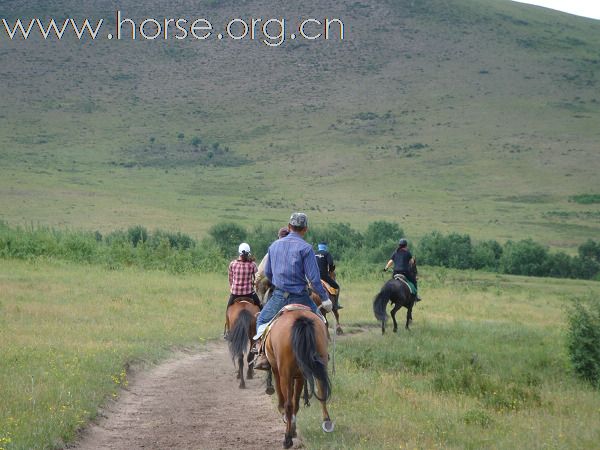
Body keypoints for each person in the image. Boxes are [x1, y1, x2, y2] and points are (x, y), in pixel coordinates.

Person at [252, 212, 333, 370]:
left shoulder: (274, 246)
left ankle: (261, 355)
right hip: (301, 297)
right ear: (305, 229)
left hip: (279, 297)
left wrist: (278, 280)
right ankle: (322, 353)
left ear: (289, 227)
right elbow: (314, 279)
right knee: (321, 321)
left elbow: (267, 272)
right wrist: (325, 299)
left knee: (261, 320)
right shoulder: (306, 248)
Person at [224, 242, 261, 337]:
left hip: (235, 293)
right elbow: (257, 279)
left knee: (228, 309)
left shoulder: (232, 264)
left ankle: (228, 331)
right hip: (249, 293)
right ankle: (261, 329)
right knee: (261, 307)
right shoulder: (252, 265)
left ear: (239, 253)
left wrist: (233, 288)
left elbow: (230, 279)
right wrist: (254, 284)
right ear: (248, 253)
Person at [315, 242, 343, 309]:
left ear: (319, 247)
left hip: (314, 276)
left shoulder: (314, 253)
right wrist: (330, 270)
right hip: (323, 276)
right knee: (337, 287)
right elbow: (330, 263)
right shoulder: (327, 254)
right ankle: (335, 304)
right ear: (325, 247)